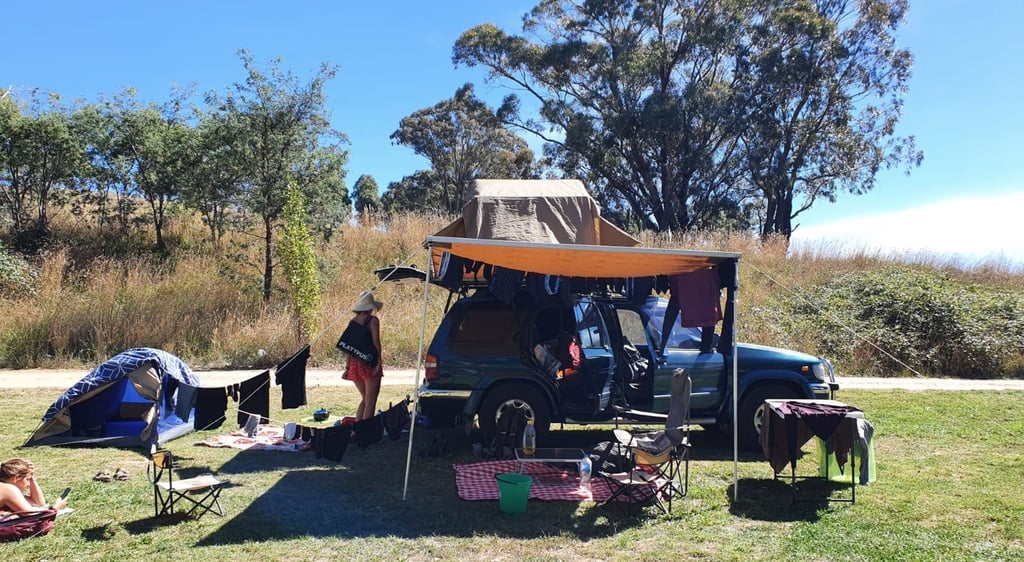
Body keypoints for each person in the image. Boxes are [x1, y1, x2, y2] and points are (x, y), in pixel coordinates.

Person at [343, 290, 384, 421]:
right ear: (370, 307)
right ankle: (365, 432)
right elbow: (376, 341)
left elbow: (349, 347)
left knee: (365, 399)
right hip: (368, 362)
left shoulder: (353, 322)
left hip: (355, 363)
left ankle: (356, 430)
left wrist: (348, 367)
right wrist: (379, 362)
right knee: (371, 401)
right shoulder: (372, 321)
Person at [0, 458, 67, 514]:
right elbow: (30, 514)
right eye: (27, 479)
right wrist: (55, 508)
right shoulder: (9, 489)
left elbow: (38, 503)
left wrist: (31, 476)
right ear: (16, 478)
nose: (28, 484)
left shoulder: (4, 487)